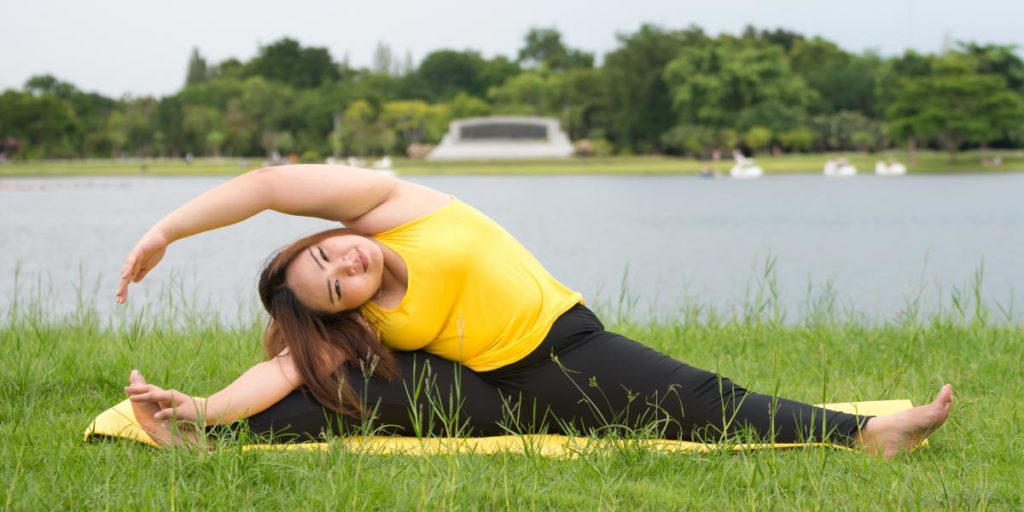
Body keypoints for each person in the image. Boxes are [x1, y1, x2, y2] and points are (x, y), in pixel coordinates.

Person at [117, 165, 952, 458]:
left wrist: (166, 230)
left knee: (698, 401)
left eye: (329, 254)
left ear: (331, 234)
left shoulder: (397, 206)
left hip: (567, 350)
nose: (346, 267)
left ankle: (861, 433)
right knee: (336, 395)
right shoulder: (357, 320)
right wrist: (199, 402)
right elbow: (289, 363)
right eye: (335, 287)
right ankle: (199, 430)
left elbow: (267, 188)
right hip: (491, 388)